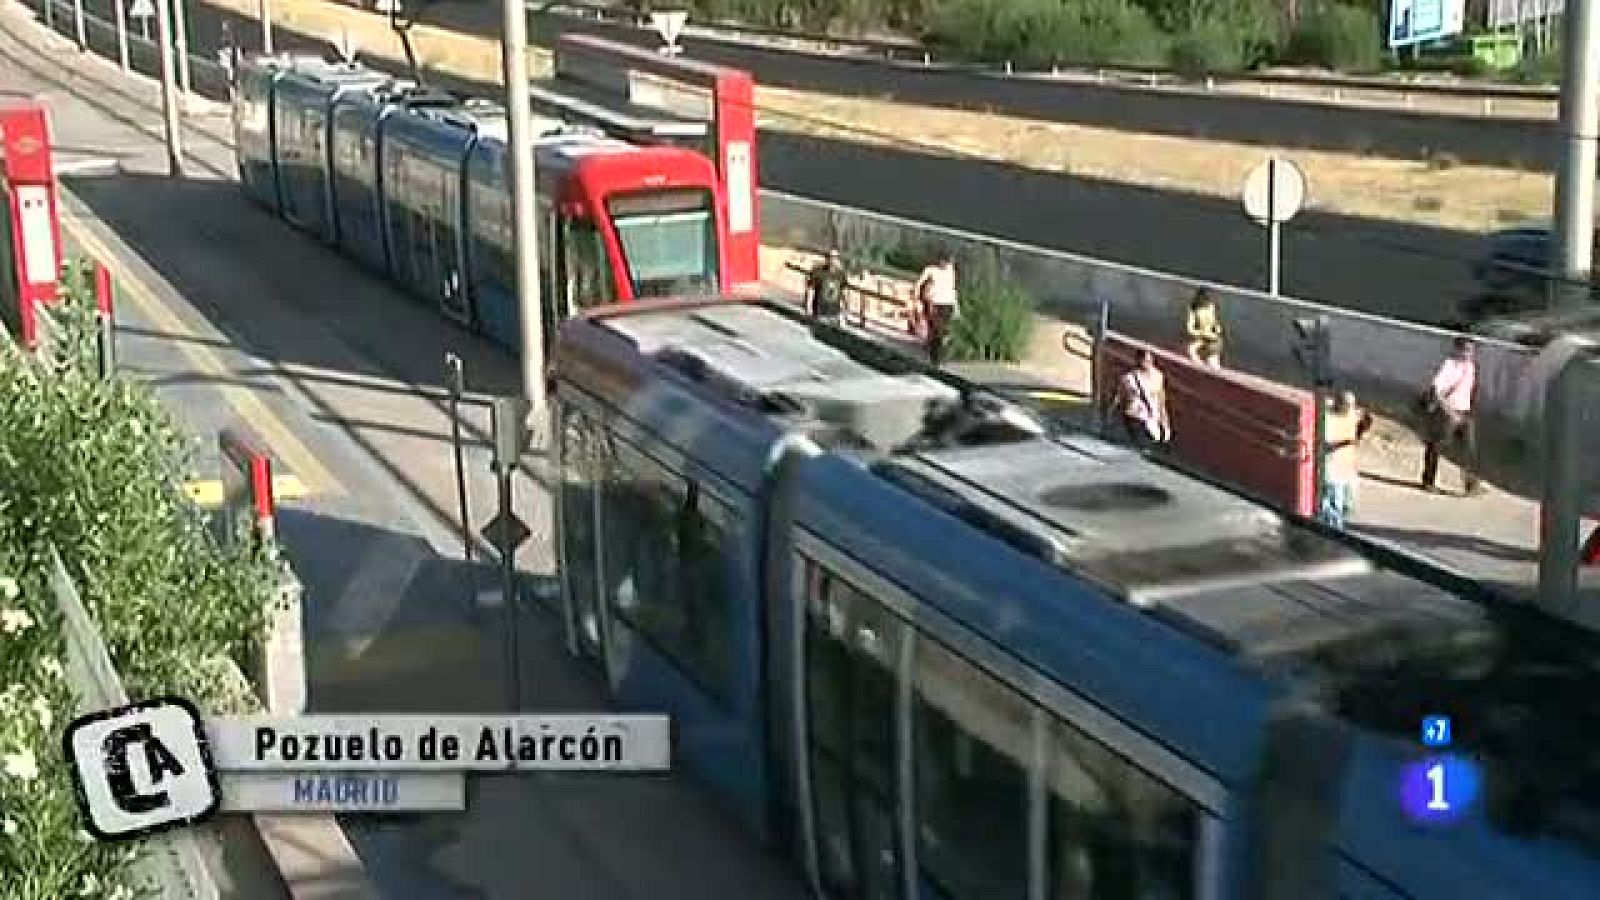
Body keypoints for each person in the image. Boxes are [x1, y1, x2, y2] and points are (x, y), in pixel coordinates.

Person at [1420, 337, 1483, 496]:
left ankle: (1471, 485)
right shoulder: (1449, 366)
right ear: (1457, 350)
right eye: (1466, 350)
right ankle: (1428, 481)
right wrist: (1450, 412)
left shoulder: (1471, 367)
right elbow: (1436, 390)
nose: (1469, 353)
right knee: (1437, 446)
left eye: (1471, 350)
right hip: (1448, 413)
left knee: (1469, 450)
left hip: (1464, 412)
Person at [1320, 390, 1373, 529]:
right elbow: (1326, 445)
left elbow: (1363, 425)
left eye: (1351, 405)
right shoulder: (1328, 418)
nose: (1350, 408)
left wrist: (1364, 426)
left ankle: (1337, 524)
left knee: (1348, 505)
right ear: (1338, 404)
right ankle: (1332, 529)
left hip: (1347, 468)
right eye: (1347, 405)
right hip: (1332, 469)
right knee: (1334, 505)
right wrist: (1346, 442)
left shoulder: (1352, 415)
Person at [1115, 349, 1171, 452]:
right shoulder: (1129, 378)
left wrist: (1165, 422)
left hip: (1152, 418)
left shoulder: (1158, 376)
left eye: (1150, 360)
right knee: (1144, 448)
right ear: (1138, 360)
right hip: (1135, 417)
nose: (1148, 363)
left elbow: (1161, 399)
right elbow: (1121, 398)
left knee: (1154, 447)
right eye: (1145, 360)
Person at [913, 250, 959, 365]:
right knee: (937, 330)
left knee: (943, 332)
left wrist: (956, 307)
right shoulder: (931, 270)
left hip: (948, 304)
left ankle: (938, 355)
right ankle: (935, 357)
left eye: (948, 262)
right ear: (940, 261)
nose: (946, 264)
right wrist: (917, 299)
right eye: (945, 262)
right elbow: (919, 283)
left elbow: (952, 289)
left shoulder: (951, 271)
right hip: (935, 303)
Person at [805, 249, 849, 326]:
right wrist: (808, 307)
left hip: (834, 313)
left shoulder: (841, 274)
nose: (832, 260)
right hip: (819, 311)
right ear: (826, 258)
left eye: (835, 257)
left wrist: (844, 313)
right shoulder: (818, 271)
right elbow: (811, 289)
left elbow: (844, 293)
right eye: (830, 257)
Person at [1184, 289, 1224, 368]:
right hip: (1202, 336)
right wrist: (1199, 333)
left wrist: (1217, 328)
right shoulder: (1194, 309)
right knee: (1192, 349)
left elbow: (1214, 321)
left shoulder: (1211, 306)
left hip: (1212, 336)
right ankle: (1201, 364)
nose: (1204, 302)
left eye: (1205, 299)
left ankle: (1213, 362)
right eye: (1201, 299)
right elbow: (1190, 326)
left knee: (1214, 361)